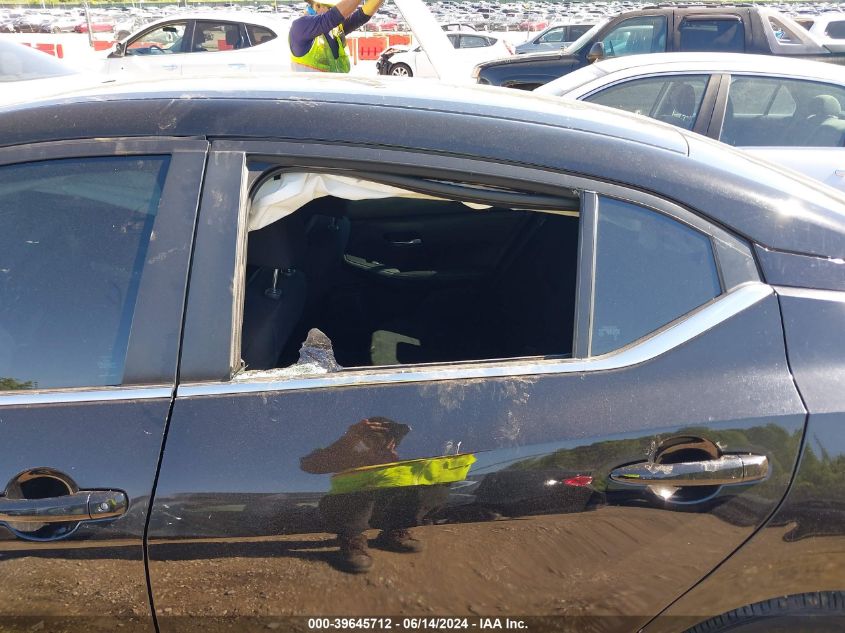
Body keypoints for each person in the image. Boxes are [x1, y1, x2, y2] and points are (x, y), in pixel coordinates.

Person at [289, 0, 385, 73]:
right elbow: (333, 17)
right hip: (309, 94)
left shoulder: (334, 31)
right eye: (330, 8)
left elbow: (360, 17)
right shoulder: (300, 27)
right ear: (317, 6)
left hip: (334, 92)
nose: (336, 10)